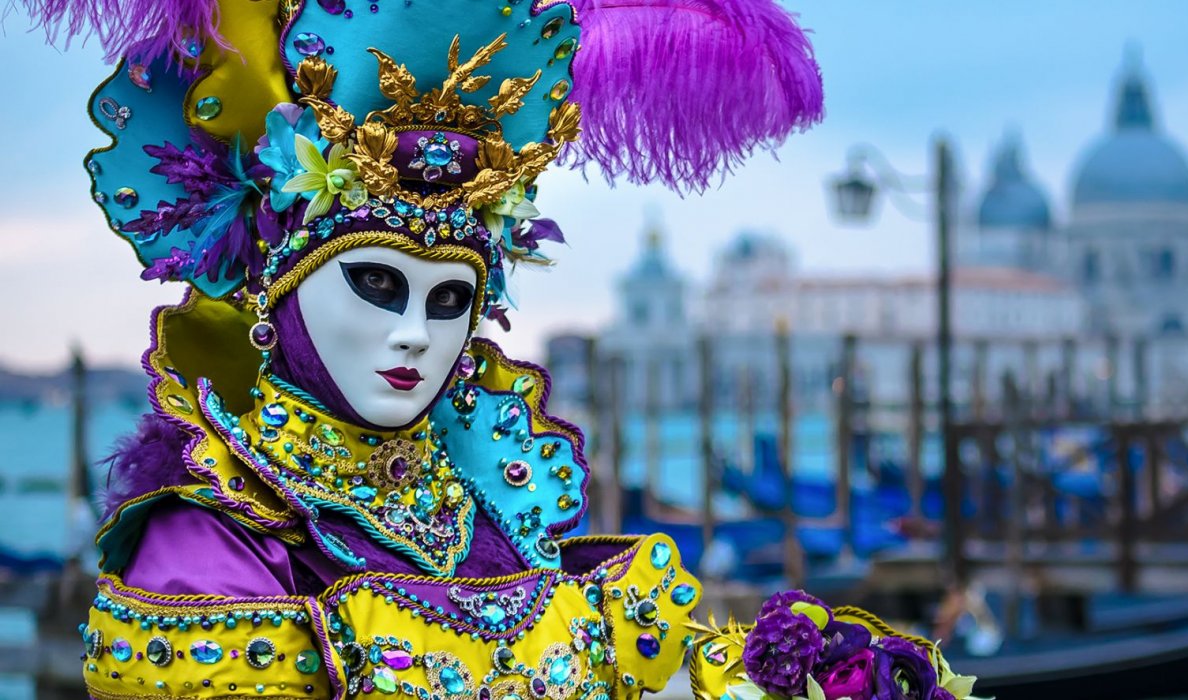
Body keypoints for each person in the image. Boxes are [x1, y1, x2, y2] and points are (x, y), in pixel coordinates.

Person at [26, 0, 978, 697]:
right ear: (281, 293)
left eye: (452, 301)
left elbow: (650, 666)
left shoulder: (490, 499)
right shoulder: (212, 535)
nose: (418, 334)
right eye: (377, 283)